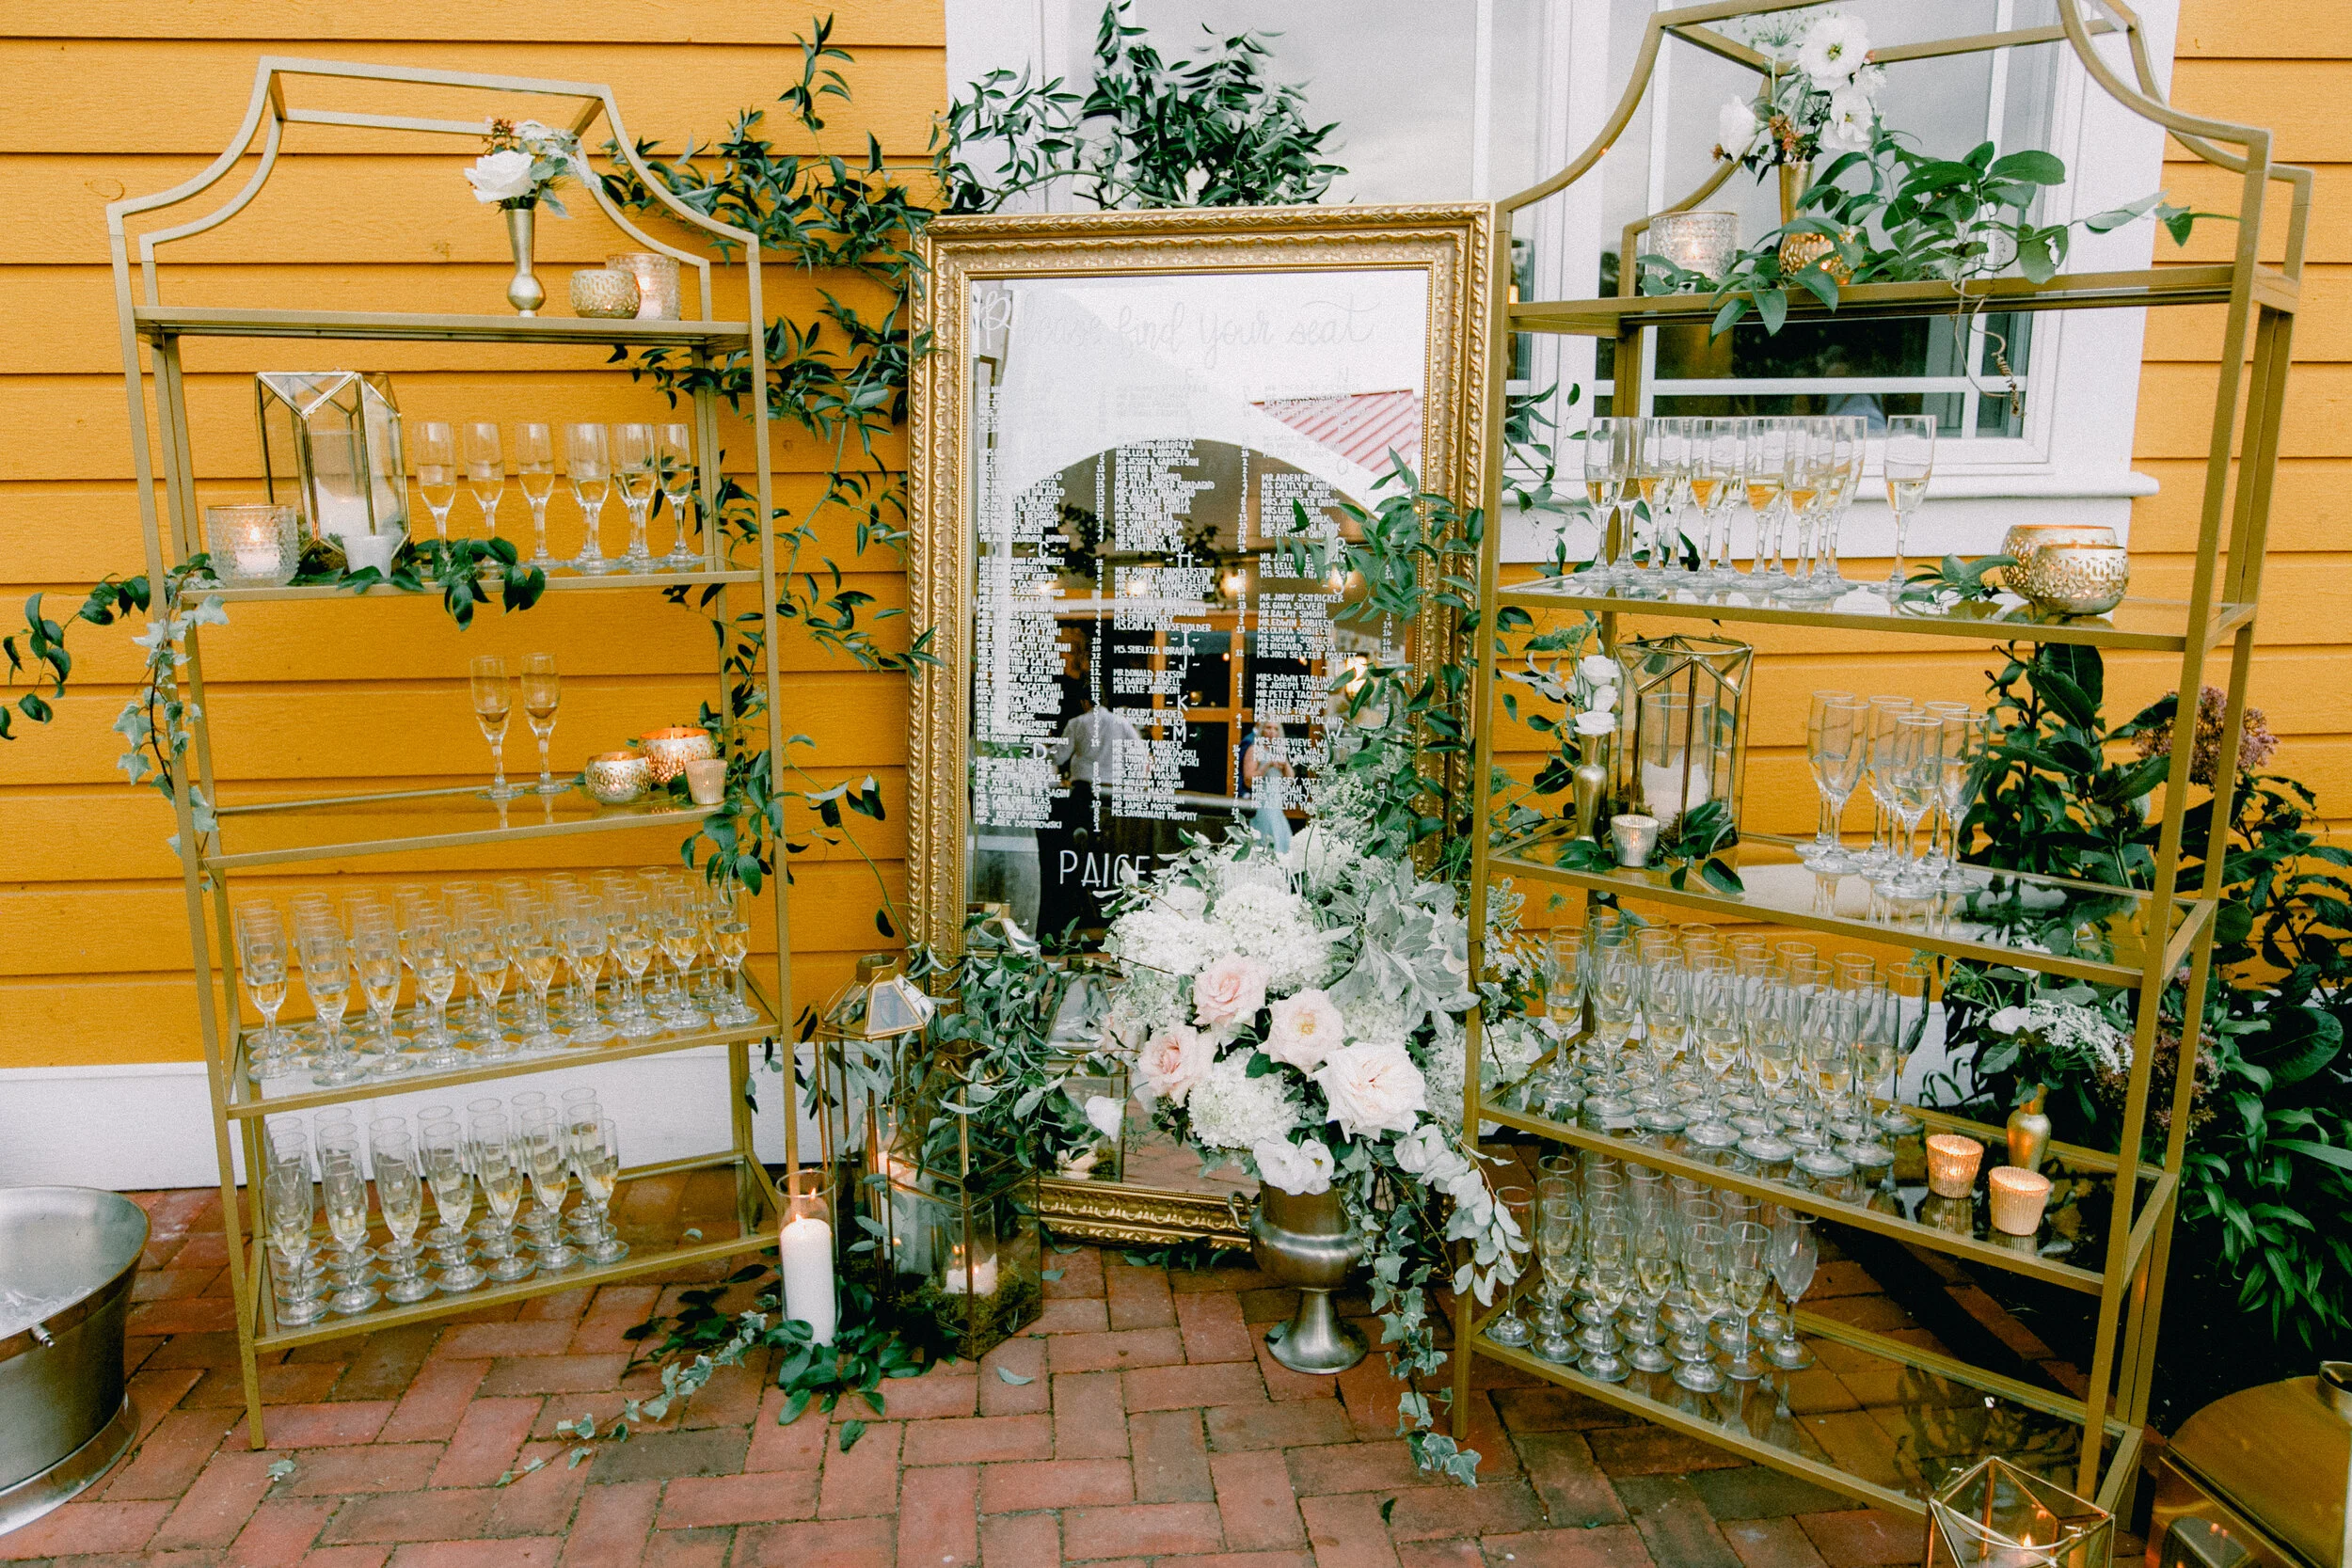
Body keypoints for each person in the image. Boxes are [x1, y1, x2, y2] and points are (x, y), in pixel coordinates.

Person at [1237, 717, 1294, 852]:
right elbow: (1248, 780)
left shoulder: (1279, 750)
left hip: (1276, 804)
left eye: (1275, 728)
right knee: (1267, 840)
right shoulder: (1254, 749)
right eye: (1268, 727)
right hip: (1262, 802)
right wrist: (1267, 765)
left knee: (1283, 839)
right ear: (1262, 729)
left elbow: (1290, 780)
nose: (1272, 732)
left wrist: (1284, 762)